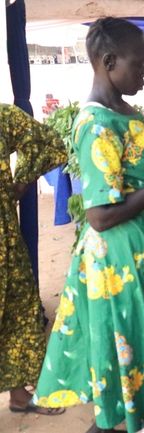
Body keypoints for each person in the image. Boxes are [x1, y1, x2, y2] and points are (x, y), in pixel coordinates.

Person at [33, 18, 144, 433]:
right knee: (132, 371)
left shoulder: (123, 111)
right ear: (109, 61)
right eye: (140, 65)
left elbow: (134, 173)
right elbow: (100, 215)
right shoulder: (96, 124)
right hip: (125, 264)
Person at [0, 104, 67, 416]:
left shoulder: (4, 117)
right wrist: (22, 181)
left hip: (5, 239)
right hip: (5, 239)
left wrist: (23, 180)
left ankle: (18, 396)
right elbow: (47, 142)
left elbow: (46, 141)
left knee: (20, 310)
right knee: (19, 310)